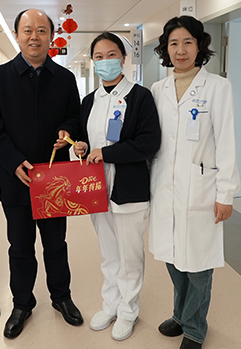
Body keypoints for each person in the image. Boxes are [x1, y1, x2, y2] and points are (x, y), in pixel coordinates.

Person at [0, 9, 83, 339]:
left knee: (56, 244)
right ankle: (22, 303)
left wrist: (67, 131)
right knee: (20, 246)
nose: (34, 36)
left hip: (54, 179)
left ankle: (61, 297)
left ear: (51, 36)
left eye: (41, 30)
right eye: (27, 30)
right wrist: (13, 160)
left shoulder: (64, 78)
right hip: (17, 178)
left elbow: (75, 116)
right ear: (17, 35)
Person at [149, 16, 240, 349]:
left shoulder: (217, 87)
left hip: (202, 187)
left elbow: (227, 141)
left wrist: (226, 193)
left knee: (199, 264)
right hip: (165, 186)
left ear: (200, 45)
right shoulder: (157, 90)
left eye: (188, 42)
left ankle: (194, 328)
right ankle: (180, 314)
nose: (181, 50)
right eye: (174, 43)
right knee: (173, 257)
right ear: (165, 49)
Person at [73, 32, 161, 341]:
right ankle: (110, 304)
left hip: (128, 189)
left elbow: (148, 142)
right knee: (108, 253)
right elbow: (85, 138)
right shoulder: (89, 101)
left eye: (111, 55)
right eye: (99, 57)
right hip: (97, 189)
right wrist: (82, 147)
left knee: (129, 255)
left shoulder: (140, 97)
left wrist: (107, 153)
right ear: (93, 62)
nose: (105, 61)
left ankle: (128, 311)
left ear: (123, 59)